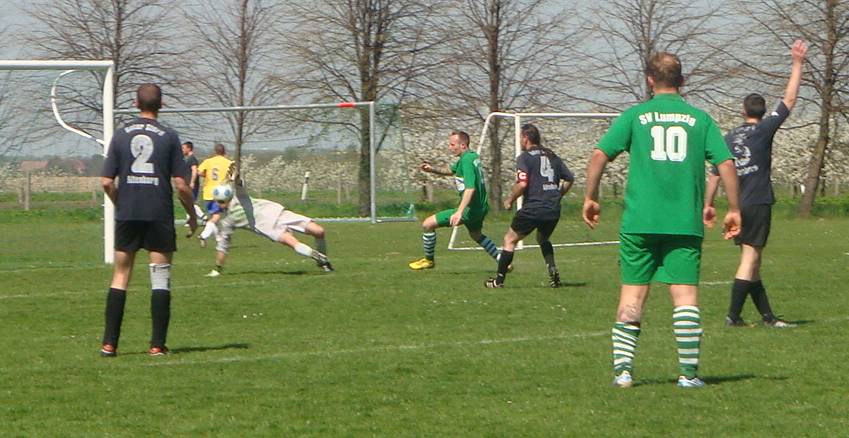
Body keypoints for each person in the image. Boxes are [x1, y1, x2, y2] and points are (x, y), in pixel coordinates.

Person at [582, 52, 742, 388]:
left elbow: (599, 155)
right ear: (682, 81)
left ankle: (623, 373)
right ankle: (688, 375)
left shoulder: (634, 116)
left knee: (632, 295)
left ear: (649, 80)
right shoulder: (699, 119)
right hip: (683, 223)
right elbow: (726, 164)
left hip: (639, 222)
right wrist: (733, 208)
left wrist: (591, 197)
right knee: (684, 297)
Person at [706, 40, 807, 329]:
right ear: (762, 112)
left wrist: (708, 204)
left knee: (753, 262)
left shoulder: (729, 137)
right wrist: (797, 63)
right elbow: (789, 100)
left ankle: (768, 317)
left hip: (737, 205)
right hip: (758, 201)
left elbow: (715, 173)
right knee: (749, 259)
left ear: (743, 111)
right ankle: (733, 316)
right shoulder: (764, 129)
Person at [99, 83, 198, 357]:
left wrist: (121, 203)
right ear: (161, 105)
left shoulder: (121, 135)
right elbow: (181, 184)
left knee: (120, 276)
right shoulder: (169, 136)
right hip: (159, 213)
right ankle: (156, 345)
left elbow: (106, 181)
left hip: (128, 214)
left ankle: (109, 344)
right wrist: (192, 215)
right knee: (160, 278)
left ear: (135, 103)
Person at [485, 123, 574, 288]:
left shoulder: (524, 157)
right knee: (543, 238)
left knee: (509, 239)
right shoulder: (552, 155)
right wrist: (558, 194)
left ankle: (498, 281)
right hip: (553, 208)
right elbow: (569, 178)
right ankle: (552, 270)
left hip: (534, 208)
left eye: (520, 137)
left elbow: (522, 184)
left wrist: (510, 200)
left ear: (526, 138)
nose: (520, 140)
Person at [199, 178, 333, 277]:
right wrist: (218, 268)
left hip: (277, 213)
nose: (219, 204)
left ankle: (322, 260)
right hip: (268, 227)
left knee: (319, 231)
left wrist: (234, 176)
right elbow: (223, 246)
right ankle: (320, 259)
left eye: (219, 201)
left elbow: (239, 183)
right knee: (294, 242)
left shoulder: (240, 197)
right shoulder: (228, 221)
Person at [408, 130, 501, 270]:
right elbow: (451, 171)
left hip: (470, 209)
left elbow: (470, 189)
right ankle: (503, 261)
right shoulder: (472, 157)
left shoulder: (466, 161)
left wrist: (459, 212)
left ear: (463, 145)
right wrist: (432, 169)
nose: (450, 147)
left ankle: (429, 261)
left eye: (452, 144)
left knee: (427, 224)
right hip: (481, 207)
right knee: (476, 235)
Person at [197, 143, 234, 232]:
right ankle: (204, 234)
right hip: (221, 193)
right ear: (224, 151)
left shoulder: (208, 161)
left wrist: (206, 175)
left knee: (214, 216)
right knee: (218, 217)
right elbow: (233, 177)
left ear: (215, 152)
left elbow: (199, 172)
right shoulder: (229, 163)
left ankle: (217, 236)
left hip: (208, 192)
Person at [181, 141, 205, 222]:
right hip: (187, 184)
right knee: (188, 202)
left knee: (190, 202)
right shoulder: (188, 159)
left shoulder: (192, 159)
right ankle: (189, 220)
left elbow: (194, 171)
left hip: (191, 184)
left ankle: (203, 217)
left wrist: (192, 182)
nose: (182, 150)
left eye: (183, 148)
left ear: (189, 148)